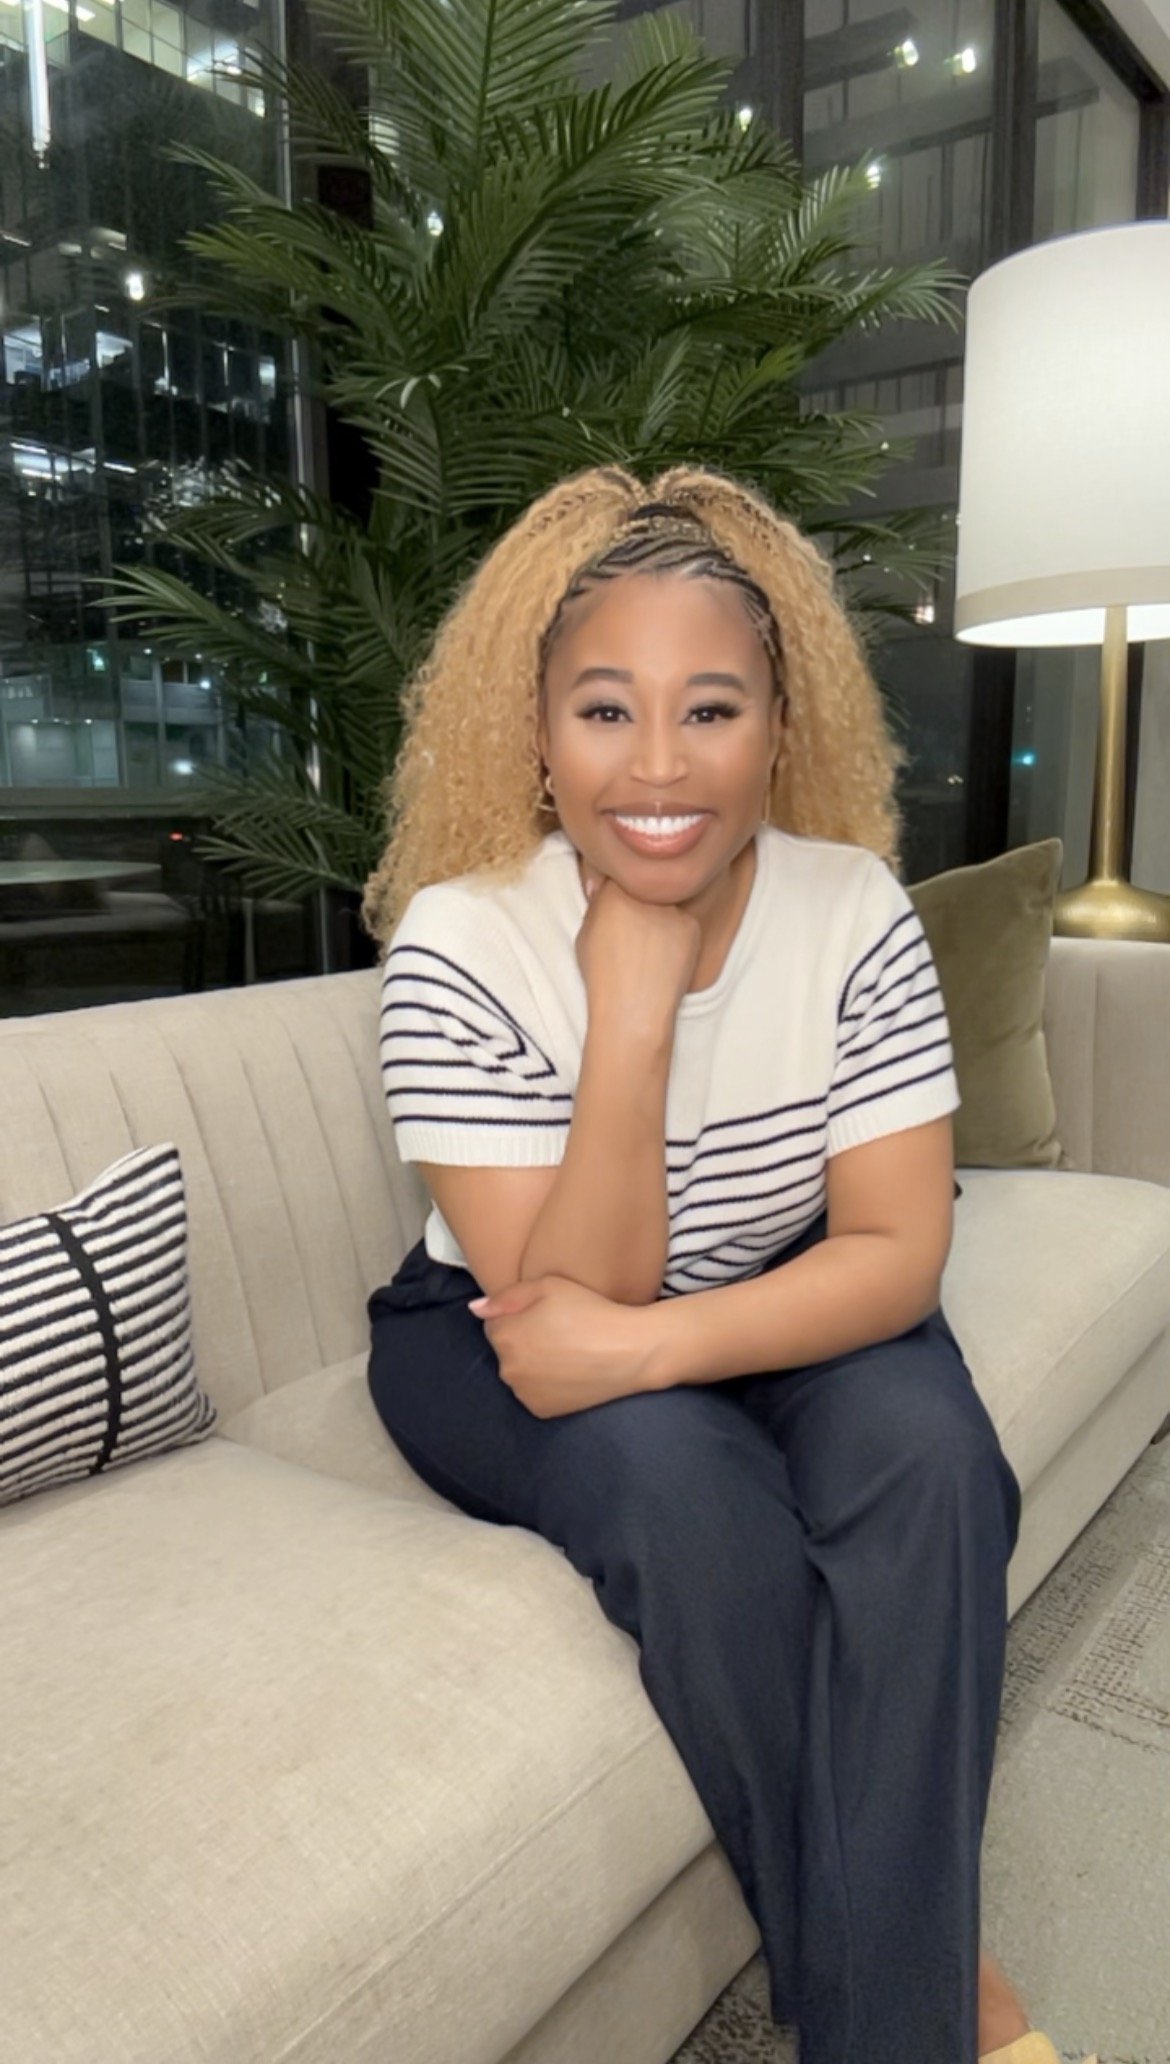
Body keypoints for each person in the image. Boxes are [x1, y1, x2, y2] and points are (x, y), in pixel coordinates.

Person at [360, 464, 1094, 2064]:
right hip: (491, 1322)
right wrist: (627, 1007)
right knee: (691, 1502)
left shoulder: (849, 911)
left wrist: (648, 1356)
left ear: (780, 725)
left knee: (932, 1464)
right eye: (604, 711)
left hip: (779, 1284)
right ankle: (931, 2005)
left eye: (711, 709)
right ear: (537, 735)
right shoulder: (461, 941)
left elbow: (896, 1253)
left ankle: (889, 2007)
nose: (659, 765)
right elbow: (563, 1312)